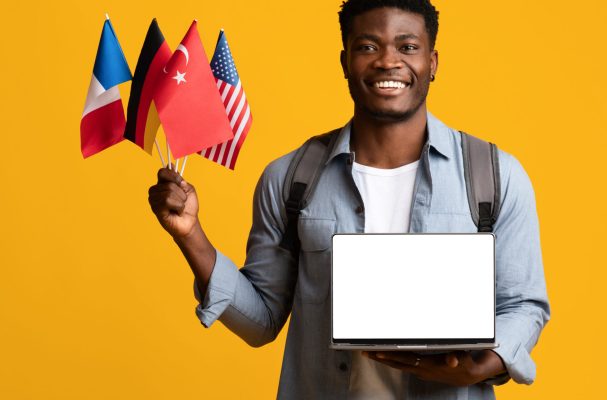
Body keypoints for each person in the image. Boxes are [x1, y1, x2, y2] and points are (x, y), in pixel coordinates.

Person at [147, 1, 550, 398]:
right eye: (368, 46)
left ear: (433, 62)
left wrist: (485, 363)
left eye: (407, 47)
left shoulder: (495, 177)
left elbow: (524, 306)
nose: (388, 62)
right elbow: (262, 321)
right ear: (344, 61)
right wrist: (191, 235)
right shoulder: (290, 179)